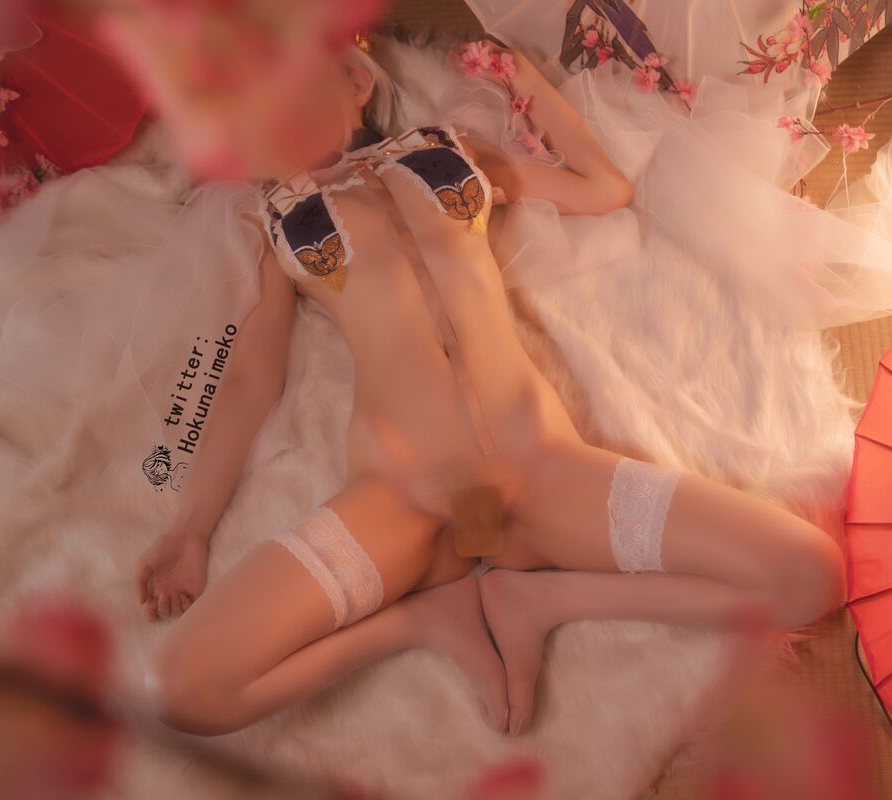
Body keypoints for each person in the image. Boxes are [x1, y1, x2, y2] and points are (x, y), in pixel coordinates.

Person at [135, 36, 845, 738]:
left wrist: (525, 79)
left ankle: (546, 600)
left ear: (354, 83)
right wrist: (190, 530)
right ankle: (423, 618)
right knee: (184, 689)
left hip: (545, 473)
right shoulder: (277, 222)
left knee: (811, 573)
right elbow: (248, 380)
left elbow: (605, 189)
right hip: (405, 502)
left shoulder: (447, 150)